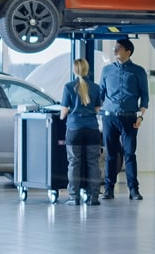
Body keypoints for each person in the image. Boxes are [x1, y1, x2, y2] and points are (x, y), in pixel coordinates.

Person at [99, 38, 149, 200]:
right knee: (111, 155)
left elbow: (145, 97)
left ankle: (133, 190)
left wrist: (140, 116)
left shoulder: (138, 71)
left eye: (119, 48)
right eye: (115, 48)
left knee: (129, 154)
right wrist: (99, 115)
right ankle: (108, 189)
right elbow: (100, 95)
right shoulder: (106, 70)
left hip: (130, 118)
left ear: (128, 51)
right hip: (109, 118)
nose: (115, 51)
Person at [58, 58, 102, 206]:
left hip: (74, 129)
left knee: (74, 163)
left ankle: (74, 197)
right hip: (92, 129)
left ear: (74, 70)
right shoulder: (95, 87)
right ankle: (94, 197)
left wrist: (70, 110)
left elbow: (63, 113)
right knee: (93, 163)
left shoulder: (69, 87)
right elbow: (97, 109)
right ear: (87, 69)